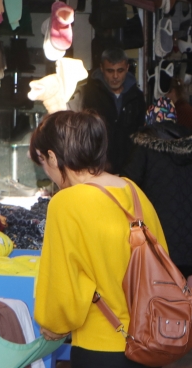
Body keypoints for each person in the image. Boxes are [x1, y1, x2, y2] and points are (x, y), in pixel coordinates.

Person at [31, 111, 169, 367]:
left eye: (43, 161)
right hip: (150, 341)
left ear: (52, 155)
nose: (47, 171)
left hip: (101, 346)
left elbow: (64, 288)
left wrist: (54, 325)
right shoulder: (133, 191)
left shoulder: (66, 203)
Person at [121, 97, 192, 303]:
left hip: (160, 235)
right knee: (186, 296)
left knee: (161, 298)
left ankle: (167, 334)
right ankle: (187, 333)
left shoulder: (144, 145)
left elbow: (127, 185)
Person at [81, 47, 145, 174]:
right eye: (110, 71)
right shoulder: (90, 94)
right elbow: (85, 132)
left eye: (120, 71)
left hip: (130, 170)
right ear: (102, 69)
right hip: (98, 168)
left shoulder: (137, 96)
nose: (115, 76)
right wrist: (96, 161)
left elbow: (141, 134)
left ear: (127, 68)